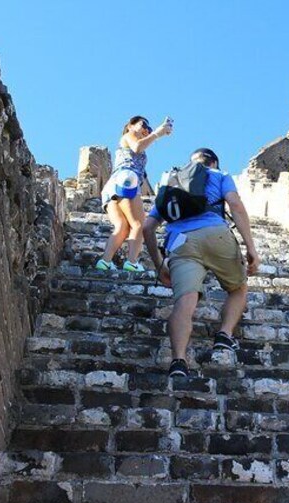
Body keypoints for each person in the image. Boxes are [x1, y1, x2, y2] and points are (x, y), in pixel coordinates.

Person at [143, 148, 260, 378]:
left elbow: (147, 227)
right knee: (238, 287)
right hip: (215, 232)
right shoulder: (219, 175)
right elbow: (235, 205)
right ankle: (224, 336)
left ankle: (178, 361)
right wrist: (251, 248)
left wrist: (159, 265)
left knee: (184, 303)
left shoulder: (172, 183)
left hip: (179, 243)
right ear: (213, 162)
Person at [95, 115, 172, 272]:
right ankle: (131, 262)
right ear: (130, 126)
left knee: (122, 226)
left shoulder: (132, 141)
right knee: (139, 224)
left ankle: (105, 261)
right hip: (127, 178)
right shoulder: (129, 136)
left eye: (148, 129)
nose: (145, 129)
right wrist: (157, 133)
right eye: (143, 125)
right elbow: (137, 147)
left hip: (113, 185)